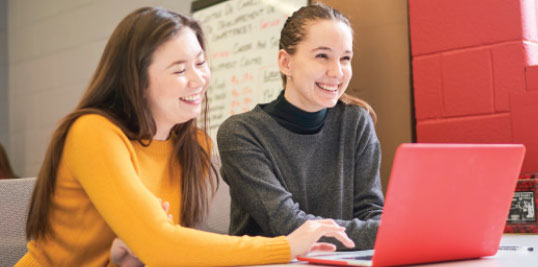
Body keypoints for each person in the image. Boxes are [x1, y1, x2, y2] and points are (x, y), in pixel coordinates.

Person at [16, 7, 355, 267]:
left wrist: (125, 255)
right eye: (179, 70)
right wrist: (288, 245)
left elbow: (159, 246)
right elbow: (161, 244)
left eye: (200, 63)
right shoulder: (93, 132)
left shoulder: (192, 145)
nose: (199, 80)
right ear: (136, 80)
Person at [217, 3, 384, 250]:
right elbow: (288, 225)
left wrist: (393, 231)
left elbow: (371, 210)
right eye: (322, 56)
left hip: (343, 262)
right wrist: (386, 233)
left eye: (345, 58)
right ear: (286, 63)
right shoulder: (241, 133)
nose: (337, 71)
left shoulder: (356, 121)